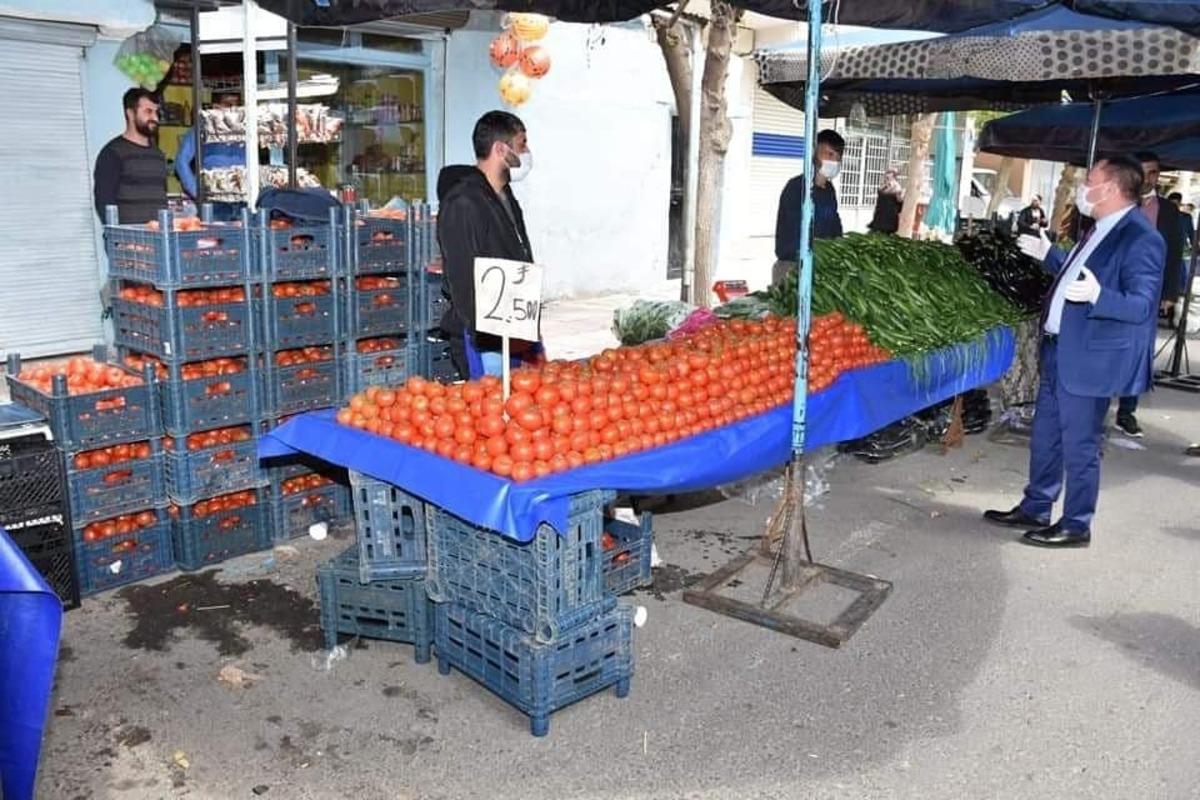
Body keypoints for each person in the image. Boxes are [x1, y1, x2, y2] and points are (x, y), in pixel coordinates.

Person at [983, 155, 1164, 548]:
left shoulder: (1141, 237)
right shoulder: (1098, 227)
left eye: (1090, 180)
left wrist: (1100, 296)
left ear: (1111, 188)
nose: (1084, 187)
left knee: (1080, 445)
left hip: (1089, 358)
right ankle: (1036, 506)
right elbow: (1078, 273)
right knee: (1045, 436)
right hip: (1059, 349)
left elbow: (1141, 305)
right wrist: (1049, 255)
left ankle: (1077, 524)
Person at [436, 111, 537, 379]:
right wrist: (486, 337)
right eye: (522, 144)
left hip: (513, 329)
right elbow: (462, 278)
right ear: (501, 149)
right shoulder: (463, 203)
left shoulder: (504, 196)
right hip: (485, 339)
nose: (527, 153)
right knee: (493, 401)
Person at [1112, 152, 1187, 438]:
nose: (1148, 177)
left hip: (1148, 294)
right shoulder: (1118, 202)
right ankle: (1095, 407)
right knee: (1107, 349)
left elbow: (1174, 254)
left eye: (1153, 172)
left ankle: (1126, 412)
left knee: (1138, 353)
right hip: (1111, 289)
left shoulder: (1168, 211)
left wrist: (1171, 293)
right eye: (1142, 171)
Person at [772, 129, 846, 285]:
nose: (834, 161)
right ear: (814, 154)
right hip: (792, 267)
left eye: (838, 157)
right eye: (829, 154)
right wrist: (822, 248)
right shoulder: (797, 187)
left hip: (821, 266)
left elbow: (835, 227)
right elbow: (796, 232)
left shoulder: (829, 191)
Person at [93, 88, 167, 225]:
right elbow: (104, 202)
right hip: (128, 237)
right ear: (130, 113)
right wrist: (119, 235)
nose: (155, 118)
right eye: (148, 112)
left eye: (156, 112)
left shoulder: (158, 155)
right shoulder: (113, 152)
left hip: (159, 235)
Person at [175, 91, 245, 221]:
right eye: (228, 104)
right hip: (215, 203)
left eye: (237, 105)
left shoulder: (245, 130)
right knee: (215, 234)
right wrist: (198, 193)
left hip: (244, 201)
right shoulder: (202, 129)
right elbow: (181, 162)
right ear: (215, 107)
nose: (234, 109)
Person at [867, 168, 903, 234]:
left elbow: (899, 201)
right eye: (886, 176)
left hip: (890, 214)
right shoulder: (883, 186)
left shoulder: (897, 187)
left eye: (889, 177)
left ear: (894, 177)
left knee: (886, 232)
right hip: (880, 214)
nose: (887, 178)